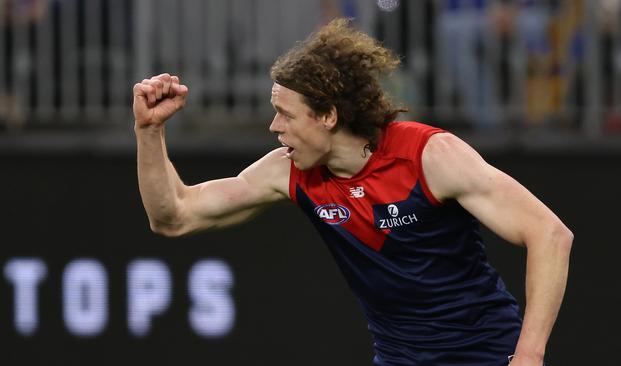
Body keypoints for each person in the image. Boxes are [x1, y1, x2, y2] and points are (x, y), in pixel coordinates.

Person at [133, 18, 572, 366]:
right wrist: (149, 131)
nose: (274, 128)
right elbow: (174, 216)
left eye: (286, 115)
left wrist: (529, 357)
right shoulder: (291, 171)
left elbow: (550, 235)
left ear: (326, 116)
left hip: (485, 356)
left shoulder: (429, 156)